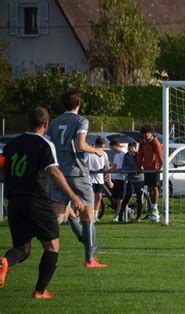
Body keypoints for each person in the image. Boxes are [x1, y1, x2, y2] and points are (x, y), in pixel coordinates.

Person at [0, 107, 85, 298]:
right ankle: (39, 291)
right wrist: (73, 196)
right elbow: (53, 172)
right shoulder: (44, 145)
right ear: (46, 125)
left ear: (27, 123)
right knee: (52, 246)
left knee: (22, 249)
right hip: (36, 201)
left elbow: (2, 173)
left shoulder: (11, 145)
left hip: (14, 203)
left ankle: (5, 262)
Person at [45, 87, 107, 268]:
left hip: (58, 172)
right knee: (88, 216)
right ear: (78, 103)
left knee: (58, 216)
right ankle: (90, 259)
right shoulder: (81, 120)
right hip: (77, 172)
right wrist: (96, 150)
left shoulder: (54, 122)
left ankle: (44, 247)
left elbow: (47, 144)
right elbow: (80, 145)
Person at [137, 125, 163, 222]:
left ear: (151, 133)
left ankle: (155, 209)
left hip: (155, 169)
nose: (146, 135)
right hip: (147, 169)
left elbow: (161, 155)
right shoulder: (142, 143)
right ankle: (152, 208)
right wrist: (139, 167)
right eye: (145, 133)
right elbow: (140, 156)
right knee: (150, 188)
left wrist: (160, 167)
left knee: (155, 188)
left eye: (148, 133)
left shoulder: (155, 142)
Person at [85, 136, 111, 222]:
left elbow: (107, 166)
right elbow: (83, 165)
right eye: (100, 147)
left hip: (100, 179)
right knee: (91, 197)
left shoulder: (104, 154)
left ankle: (95, 216)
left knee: (99, 197)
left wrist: (109, 178)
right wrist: (91, 170)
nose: (101, 149)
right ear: (96, 145)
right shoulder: (89, 153)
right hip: (90, 179)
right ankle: (90, 215)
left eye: (103, 147)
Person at [121, 142, 145, 222]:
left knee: (139, 198)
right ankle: (121, 214)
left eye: (132, 148)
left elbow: (140, 166)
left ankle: (138, 216)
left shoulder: (138, 155)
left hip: (140, 179)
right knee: (128, 195)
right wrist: (129, 169)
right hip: (130, 179)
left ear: (135, 148)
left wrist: (136, 169)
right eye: (129, 148)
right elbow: (124, 166)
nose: (131, 150)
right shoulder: (126, 156)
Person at [109, 139, 126, 223]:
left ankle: (117, 216)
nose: (111, 150)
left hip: (123, 179)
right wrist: (108, 171)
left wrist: (118, 170)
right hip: (116, 179)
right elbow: (115, 166)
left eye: (111, 148)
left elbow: (124, 166)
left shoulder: (124, 154)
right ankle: (127, 210)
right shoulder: (116, 155)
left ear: (114, 146)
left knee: (119, 199)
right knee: (114, 199)